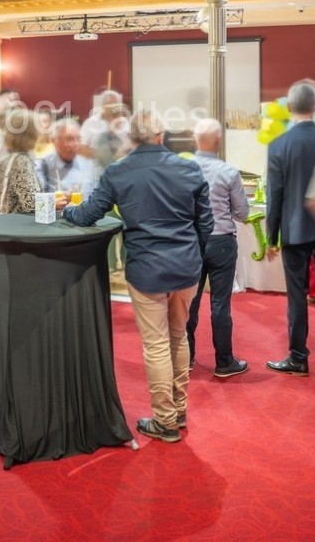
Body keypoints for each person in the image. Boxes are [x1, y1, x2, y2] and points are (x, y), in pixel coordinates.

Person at [62, 108, 212, 444]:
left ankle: (165, 420)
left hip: (147, 267)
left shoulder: (119, 171)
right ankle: (178, 409)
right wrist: (194, 253)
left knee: (157, 344)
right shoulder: (189, 167)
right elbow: (206, 222)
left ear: (132, 137)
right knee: (179, 336)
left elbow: (88, 214)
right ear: (161, 135)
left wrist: (65, 210)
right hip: (186, 266)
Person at [265, 82, 315, 376]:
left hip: (294, 228)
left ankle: (298, 357)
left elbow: (276, 196)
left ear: (289, 108)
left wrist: (272, 237)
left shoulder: (278, 145)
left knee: (296, 295)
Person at [185, 119, 249, 379]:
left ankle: (185, 358)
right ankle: (224, 362)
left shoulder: (183, 170)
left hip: (191, 241)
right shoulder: (230, 172)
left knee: (189, 301)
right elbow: (243, 213)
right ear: (219, 141)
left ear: (195, 141)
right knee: (220, 304)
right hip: (222, 241)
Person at [0, 105, 41, 215]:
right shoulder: (22, 162)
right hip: (19, 226)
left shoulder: (6, 159)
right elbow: (31, 203)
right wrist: (56, 202)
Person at [35, 118, 94, 195]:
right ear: (54, 140)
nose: (76, 144)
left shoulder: (88, 165)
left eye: (78, 139)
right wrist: (54, 201)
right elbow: (38, 199)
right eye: (69, 139)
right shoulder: (42, 165)